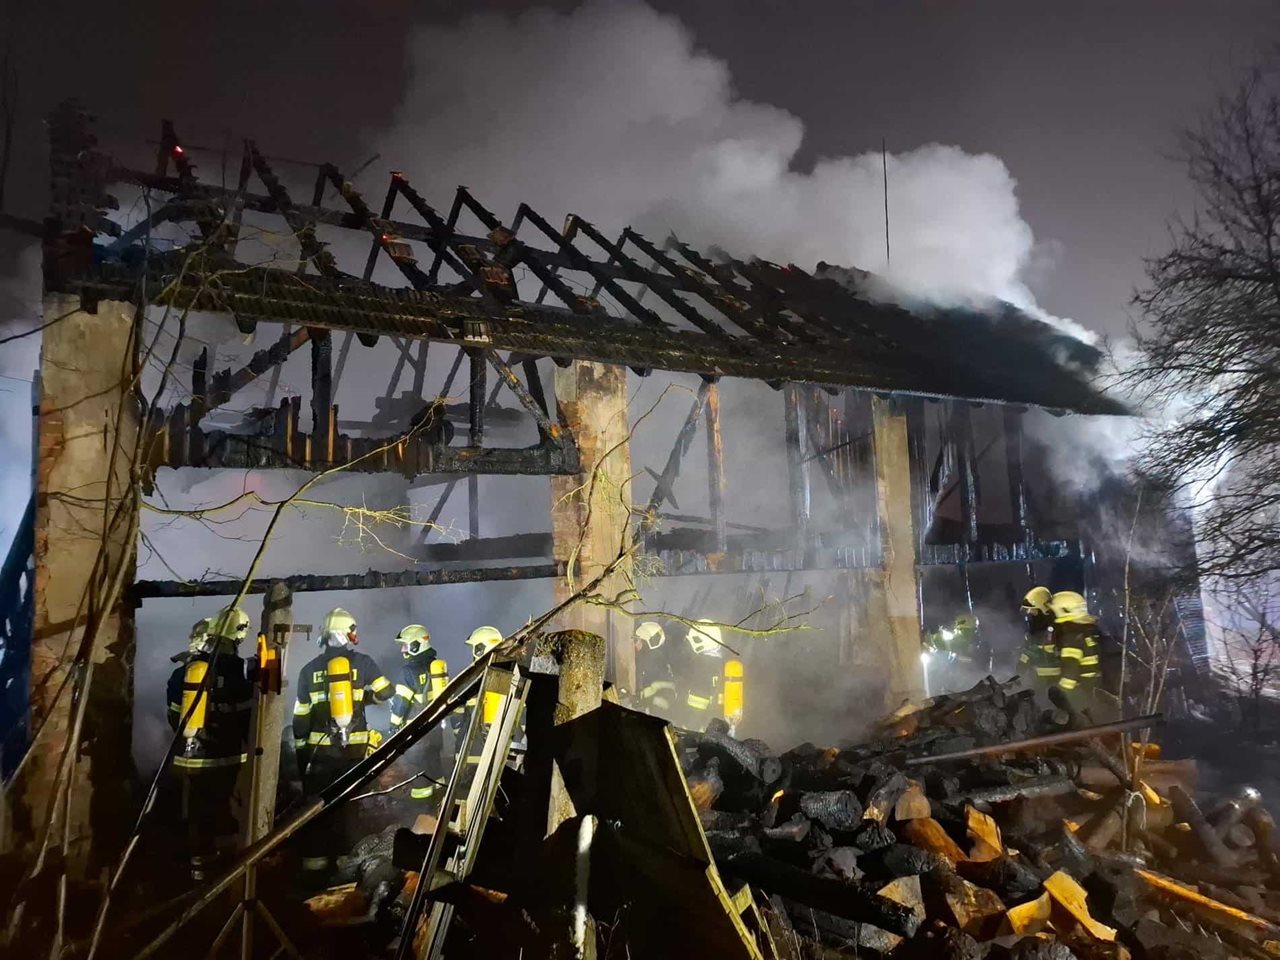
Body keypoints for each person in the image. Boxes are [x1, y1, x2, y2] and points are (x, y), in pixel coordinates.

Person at [292, 607, 394, 882]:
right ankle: (347, 873)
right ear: (344, 633)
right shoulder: (364, 663)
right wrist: (364, 698)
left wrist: (302, 757)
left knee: (318, 813)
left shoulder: (308, 670)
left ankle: (314, 874)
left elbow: (300, 719)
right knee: (350, 811)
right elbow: (387, 691)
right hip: (354, 755)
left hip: (320, 756)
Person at [165, 605, 254, 881]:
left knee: (197, 815)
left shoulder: (184, 672)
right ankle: (229, 875)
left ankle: (200, 875)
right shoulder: (239, 672)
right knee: (227, 813)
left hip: (190, 760)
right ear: (238, 636)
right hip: (227, 759)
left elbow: (173, 716)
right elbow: (249, 718)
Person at [388, 624, 449, 809]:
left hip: (417, 735)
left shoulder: (409, 671)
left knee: (419, 776)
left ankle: (421, 812)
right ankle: (440, 807)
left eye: (405, 645)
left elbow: (401, 703)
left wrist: (394, 727)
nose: (402, 650)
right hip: (435, 731)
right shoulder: (436, 666)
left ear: (416, 645)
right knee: (435, 768)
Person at [1048, 591, 1109, 717]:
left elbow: (1070, 674)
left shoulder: (1072, 636)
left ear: (1064, 611)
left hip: (1080, 697)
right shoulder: (1086, 632)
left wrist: (1058, 695)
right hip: (1093, 690)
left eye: (1053, 612)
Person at [681, 620, 724, 730]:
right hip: (720, 728)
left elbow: (697, 706)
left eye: (695, 639)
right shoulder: (721, 664)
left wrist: (688, 728)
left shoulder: (702, 666)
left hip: (702, 729)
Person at [1017, 587, 1061, 695]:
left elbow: (1041, 650)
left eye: (1033, 609)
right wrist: (1021, 665)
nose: (1030, 612)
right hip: (1038, 679)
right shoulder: (1035, 627)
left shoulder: (1056, 628)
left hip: (1055, 681)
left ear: (1043, 608)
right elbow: (1030, 648)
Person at [633, 621, 677, 717]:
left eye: (637, 640)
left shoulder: (651, 661)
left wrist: (641, 699)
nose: (635, 644)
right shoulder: (657, 657)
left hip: (657, 713)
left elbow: (662, 697)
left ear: (646, 643)